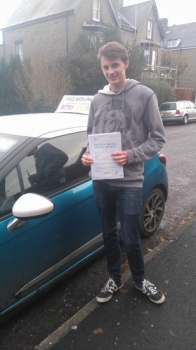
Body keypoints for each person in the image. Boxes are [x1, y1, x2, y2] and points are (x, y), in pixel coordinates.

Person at [81, 42, 166, 304]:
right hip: (102, 181)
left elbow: (158, 138)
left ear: (125, 63)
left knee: (130, 236)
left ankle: (139, 280)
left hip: (129, 181)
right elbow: (92, 136)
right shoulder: (97, 100)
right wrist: (87, 154)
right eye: (105, 67)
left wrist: (130, 155)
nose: (110, 71)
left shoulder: (145, 95)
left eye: (115, 65)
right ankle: (115, 278)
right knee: (108, 233)